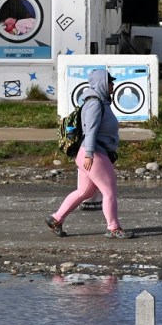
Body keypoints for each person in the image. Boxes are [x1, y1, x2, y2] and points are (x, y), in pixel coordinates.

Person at [46, 69, 134, 239]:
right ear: (102, 83)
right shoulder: (94, 104)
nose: (112, 84)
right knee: (109, 191)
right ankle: (113, 228)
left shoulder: (100, 102)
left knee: (84, 192)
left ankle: (56, 219)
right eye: (110, 81)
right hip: (94, 154)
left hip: (89, 152)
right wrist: (89, 154)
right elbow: (90, 130)